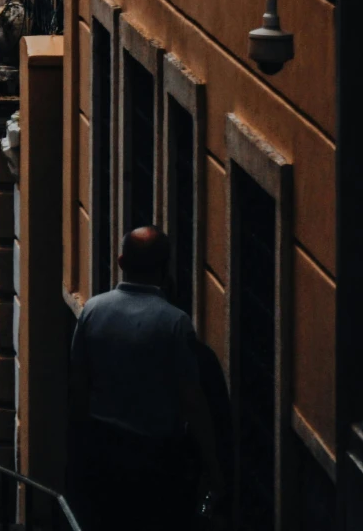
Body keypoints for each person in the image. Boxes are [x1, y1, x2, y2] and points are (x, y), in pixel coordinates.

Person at [67, 226, 221, 531]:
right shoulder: (175, 323)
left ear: (122, 262)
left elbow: (78, 388)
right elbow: (192, 400)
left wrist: (78, 452)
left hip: (102, 451)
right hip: (157, 460)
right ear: (165, 267)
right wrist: (213, 467)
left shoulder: (93, 311)